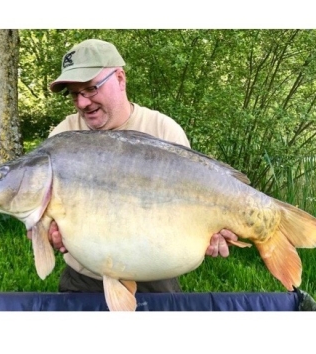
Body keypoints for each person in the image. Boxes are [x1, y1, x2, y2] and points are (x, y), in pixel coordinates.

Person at [28, 38, 238, 293]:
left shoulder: (163, 130)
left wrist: (214, 232)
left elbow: (196, 203)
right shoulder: (64, 137)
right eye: (74, 94)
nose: (82, 103)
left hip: (156, 274)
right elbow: (41, 217)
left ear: (120, 78)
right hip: (84, 277)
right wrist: (47, 233)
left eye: (91, 89)